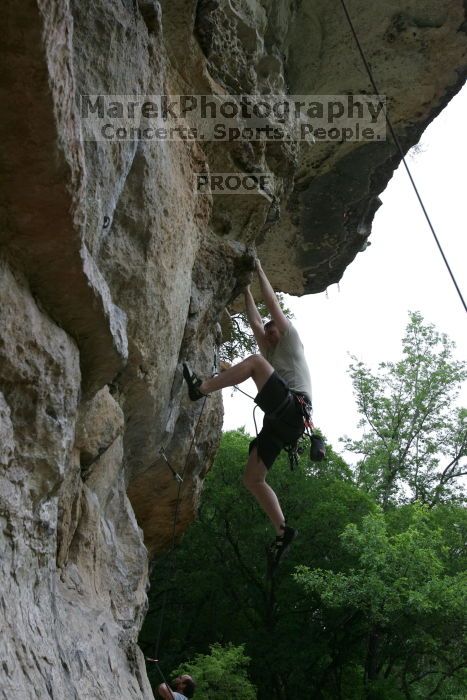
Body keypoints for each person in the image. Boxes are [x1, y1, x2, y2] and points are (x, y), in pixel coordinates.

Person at [183, 259, 313, 567]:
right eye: (266, 332)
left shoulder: (291, 339)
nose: (268, 333)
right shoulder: (270, 349)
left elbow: (271, 304)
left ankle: (200, 388)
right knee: (253, 478)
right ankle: (282, 530)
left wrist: (257, 269)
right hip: (284, 424)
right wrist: (244, 289)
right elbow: (256, 320)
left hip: (294, 410)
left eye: (272, 330)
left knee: (254, 362)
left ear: (280, 330)